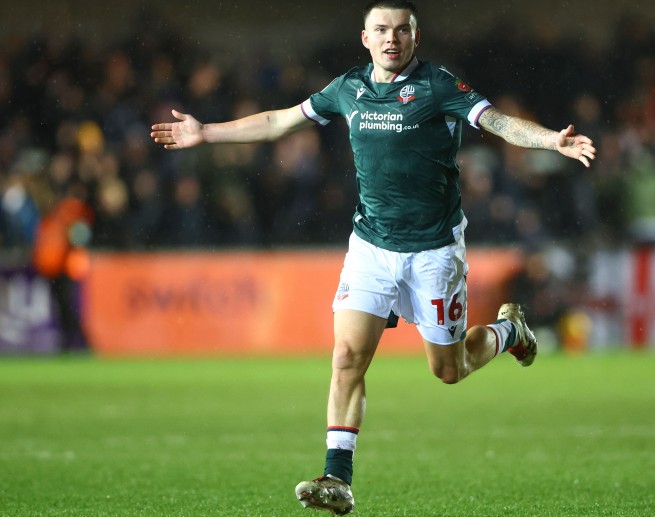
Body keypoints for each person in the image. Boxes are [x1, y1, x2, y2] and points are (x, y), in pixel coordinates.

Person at [151, 1, 596, 514]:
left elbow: (494, 122)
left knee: (448, 370)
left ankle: (509, 332)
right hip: (371, 249)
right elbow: (279, 121)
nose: (392, 38)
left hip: (434, 253)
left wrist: (549, 142)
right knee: (346, 357)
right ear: (365, 38)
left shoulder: (437, 85)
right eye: (381, 30)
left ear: (415, 37)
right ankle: (336, 478)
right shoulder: (347, 89)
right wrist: (206, 132)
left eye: (401, 30)